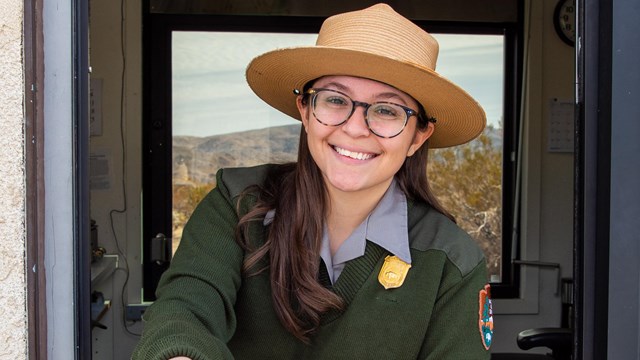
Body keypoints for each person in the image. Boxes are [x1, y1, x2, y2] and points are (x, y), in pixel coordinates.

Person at [132, 3, 493, 359]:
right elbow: (185, 307)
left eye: (386, 110)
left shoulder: (451, 263)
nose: (353, 127)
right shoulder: (237, 205)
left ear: (417, 136)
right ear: (305, 111)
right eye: (336, 99)